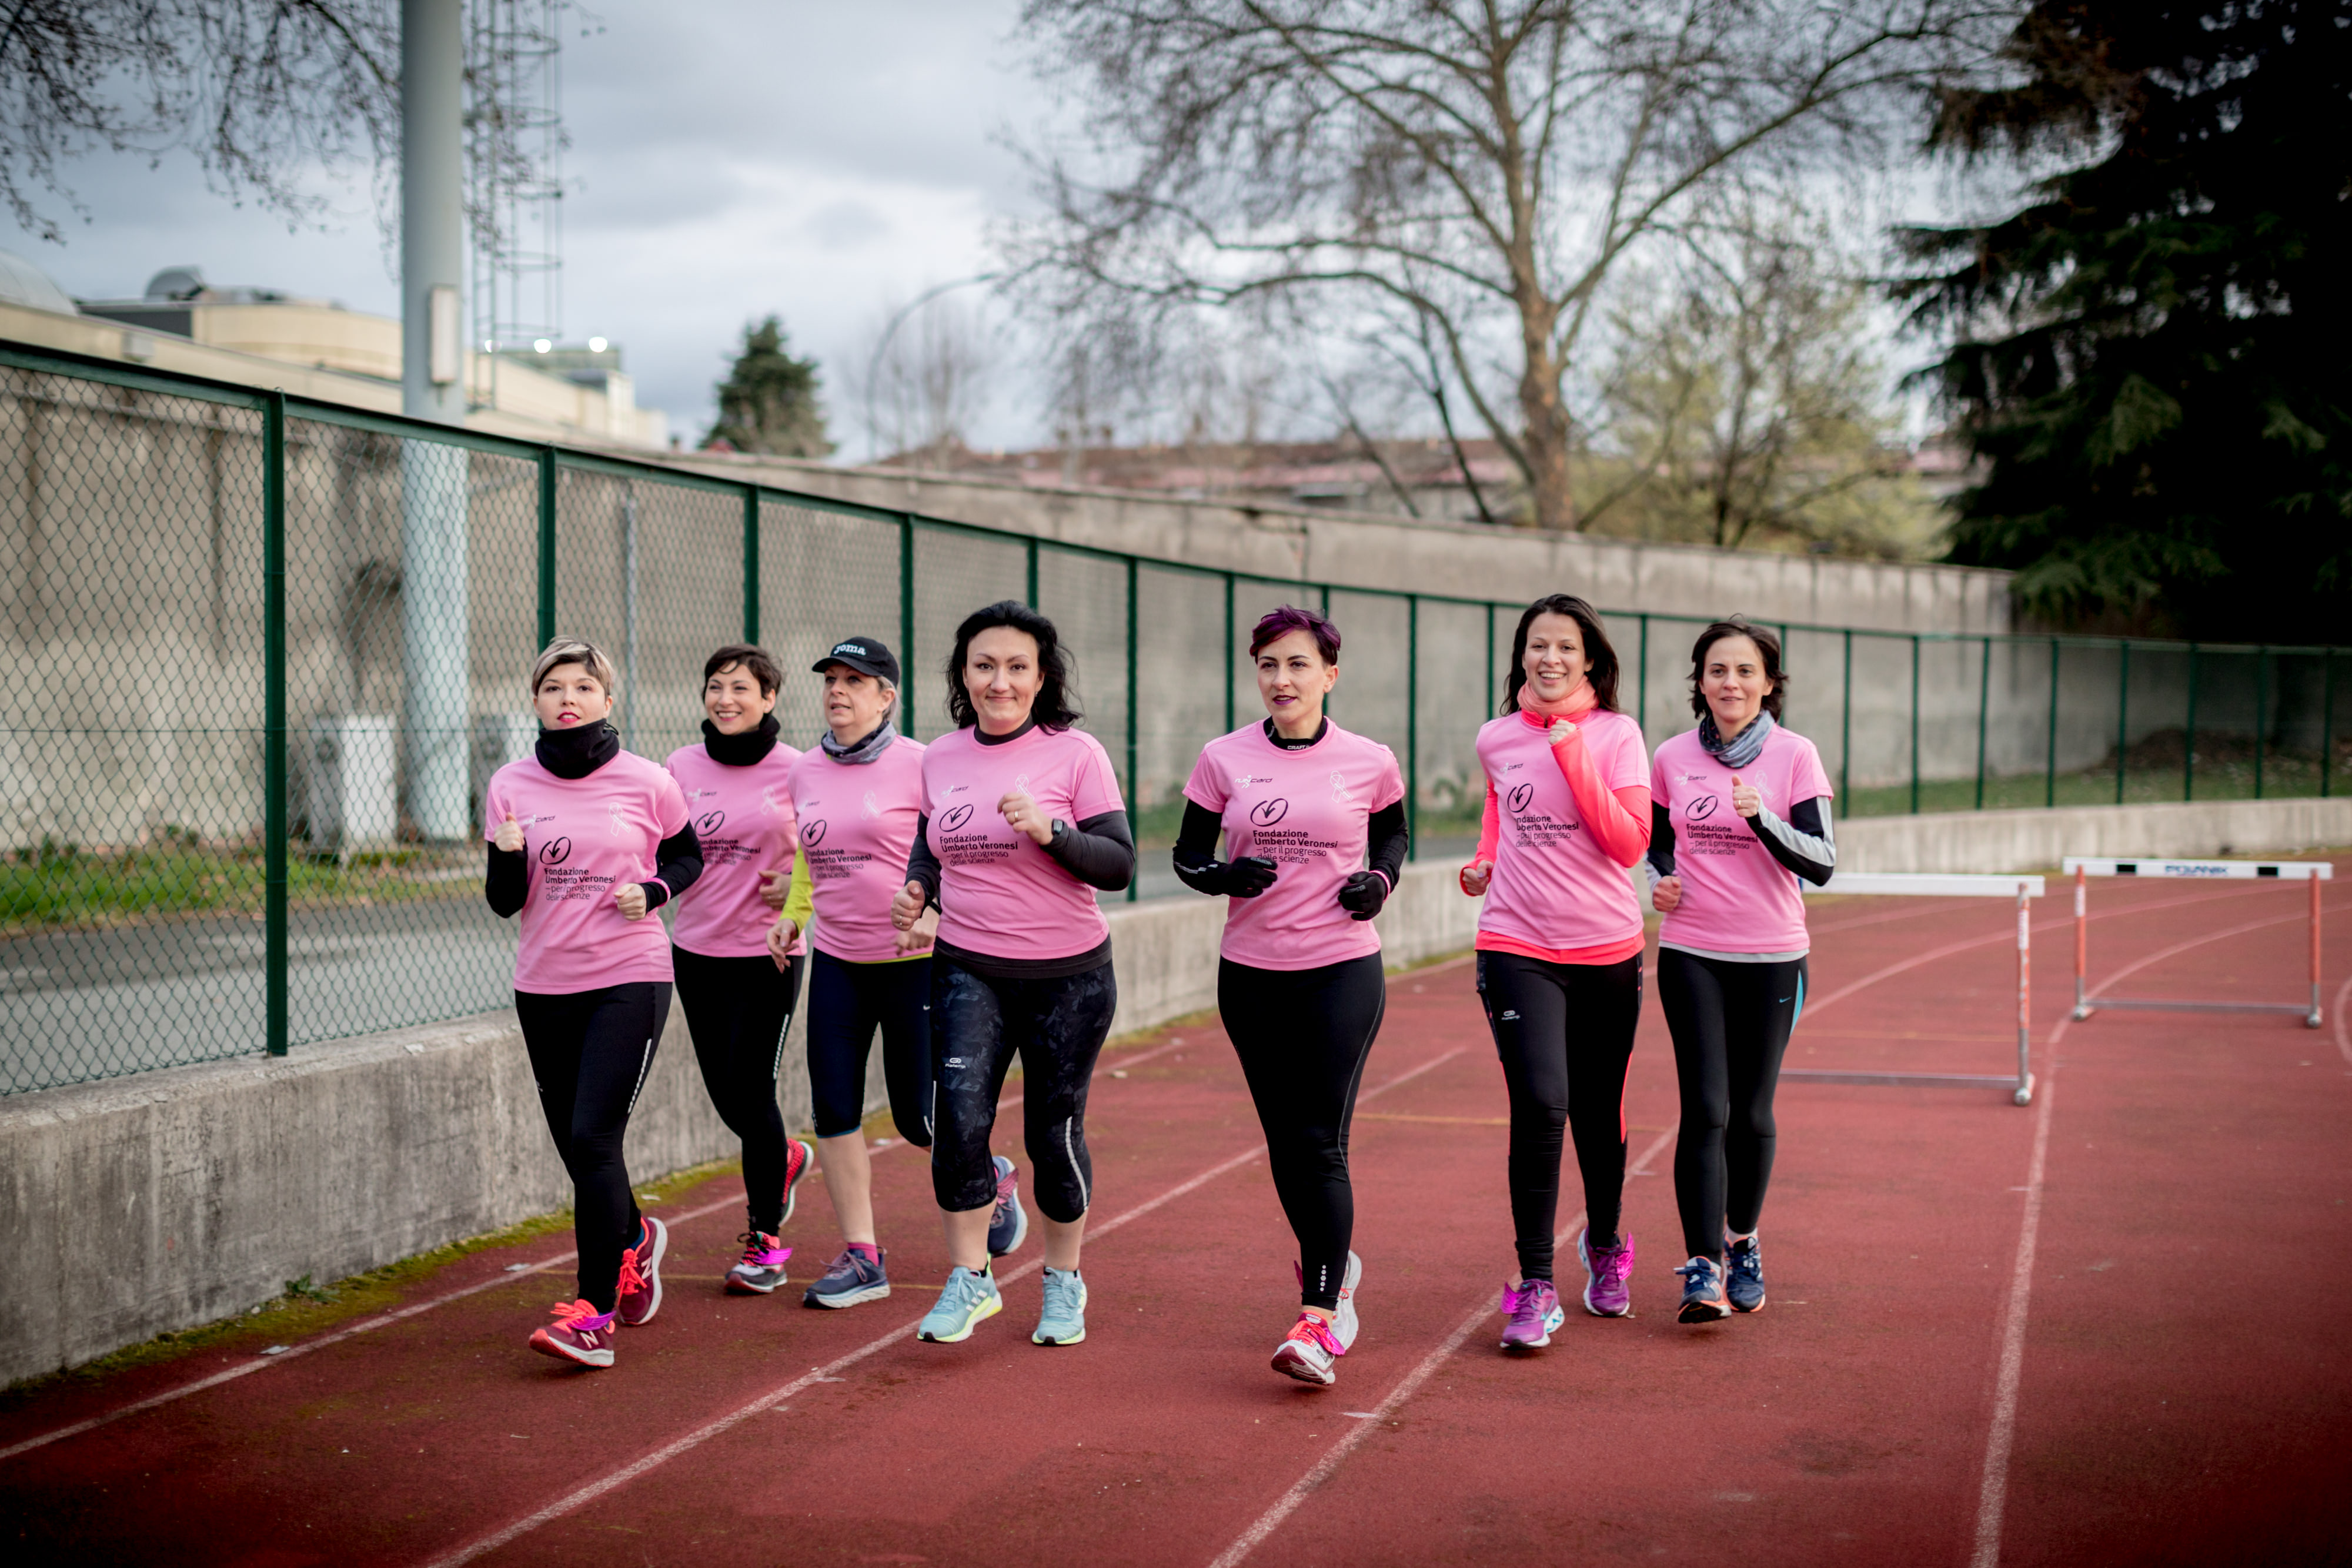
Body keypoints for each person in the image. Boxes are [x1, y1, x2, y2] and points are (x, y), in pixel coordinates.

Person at [891, 601, 1134, 1348]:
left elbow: (1120, 863)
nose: (1000, 681)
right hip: (968, 968)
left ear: (1041, 678)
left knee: (1051, 1135)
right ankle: (970, 1277)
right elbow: (933, 843)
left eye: (1016, 667)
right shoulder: (940, 757)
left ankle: (1063, 1282)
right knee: (958, 1126)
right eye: (984, 665)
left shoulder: (1076, 754)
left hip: (1069, 979)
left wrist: (1052, 832)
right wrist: (919, 888)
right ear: (964, 674)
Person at [1174, 604, 1405, 1386]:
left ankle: (1321, 1315)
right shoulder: (1223, 757)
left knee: (1318, 1138)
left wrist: (1380, 882)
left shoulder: (1369, 758)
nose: (1282, 678)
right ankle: (1336, 1266)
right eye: (1269, 664)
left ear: (1329, 675)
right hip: (1251, 971)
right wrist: (1222, 876)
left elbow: (1394, 836)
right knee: (1282, 1139)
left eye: (1298, 664)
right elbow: (1187, 854)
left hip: (1341, 967)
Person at [483, 638, 701, 1369]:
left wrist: (658, 891)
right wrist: (507, 855)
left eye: (582, 686)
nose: (567, 697)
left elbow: (688, 856)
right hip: (543, 987)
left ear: (609, 701)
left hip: (628, 978)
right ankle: (633, 1239)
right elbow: (503, 902)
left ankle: (593, 1312)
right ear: (536, 701)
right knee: (579, 1153)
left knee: (594, 1141)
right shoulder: (509, 785)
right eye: (552, 687)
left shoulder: (648, 780)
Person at [1459, 594, 1652, 1350]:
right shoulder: (1496, 737)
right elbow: (1500, 813)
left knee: (1597, 1118)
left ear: (1590, 659)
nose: (1549, 660)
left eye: (1565, 648)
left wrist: (1572, 751)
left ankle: (1604, 1246)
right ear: (1521, 657)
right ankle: (1534, 1286)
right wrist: (1483, 864)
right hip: (1515, 945)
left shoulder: (1618, 736)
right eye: (1537, 647)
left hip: (1606, 950)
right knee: (1541, 1105)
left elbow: (1628, 844)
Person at [1646, 618, 1834, 1323]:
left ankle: (1742, 1239)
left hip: (1772, 956)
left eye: (1745, 671)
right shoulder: (1670, 757)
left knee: (1750, 1113)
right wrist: (1659, 881)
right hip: (1692, 952)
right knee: (1703, 1110)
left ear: (1767, 683)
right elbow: (1658, 847)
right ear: (1699, 681)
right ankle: (1702, 1267)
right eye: (1717, 670)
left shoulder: (1794, 756)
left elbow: (1822, 861)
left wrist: (1762, 822)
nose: (1730, 683)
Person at [769, 636, 955, 1310]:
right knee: (834, 1111)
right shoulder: (806, 771)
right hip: (839, 963)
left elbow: (954, 847)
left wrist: (937, 908)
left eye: (855, 681)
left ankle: (988, 1180)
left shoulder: (924, 764)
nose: (838, 691)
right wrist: (794, 915)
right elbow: (807, 856)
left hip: (915, 965)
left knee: (920, 1120)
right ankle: (862, 1256)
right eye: (831, 681)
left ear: (887, 696)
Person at [664, 644, 817, 1298]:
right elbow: (667, 847)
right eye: (715, 687)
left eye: (740, 688)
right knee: (727, 1096)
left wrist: (794, 890)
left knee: (753, 1093)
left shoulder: (802, 770)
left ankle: (766, 1242)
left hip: (770, 952)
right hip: (696, 950)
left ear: (769, 698)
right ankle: (783, 1158)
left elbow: (828, 850)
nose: (725, 699)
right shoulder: (678, 767)